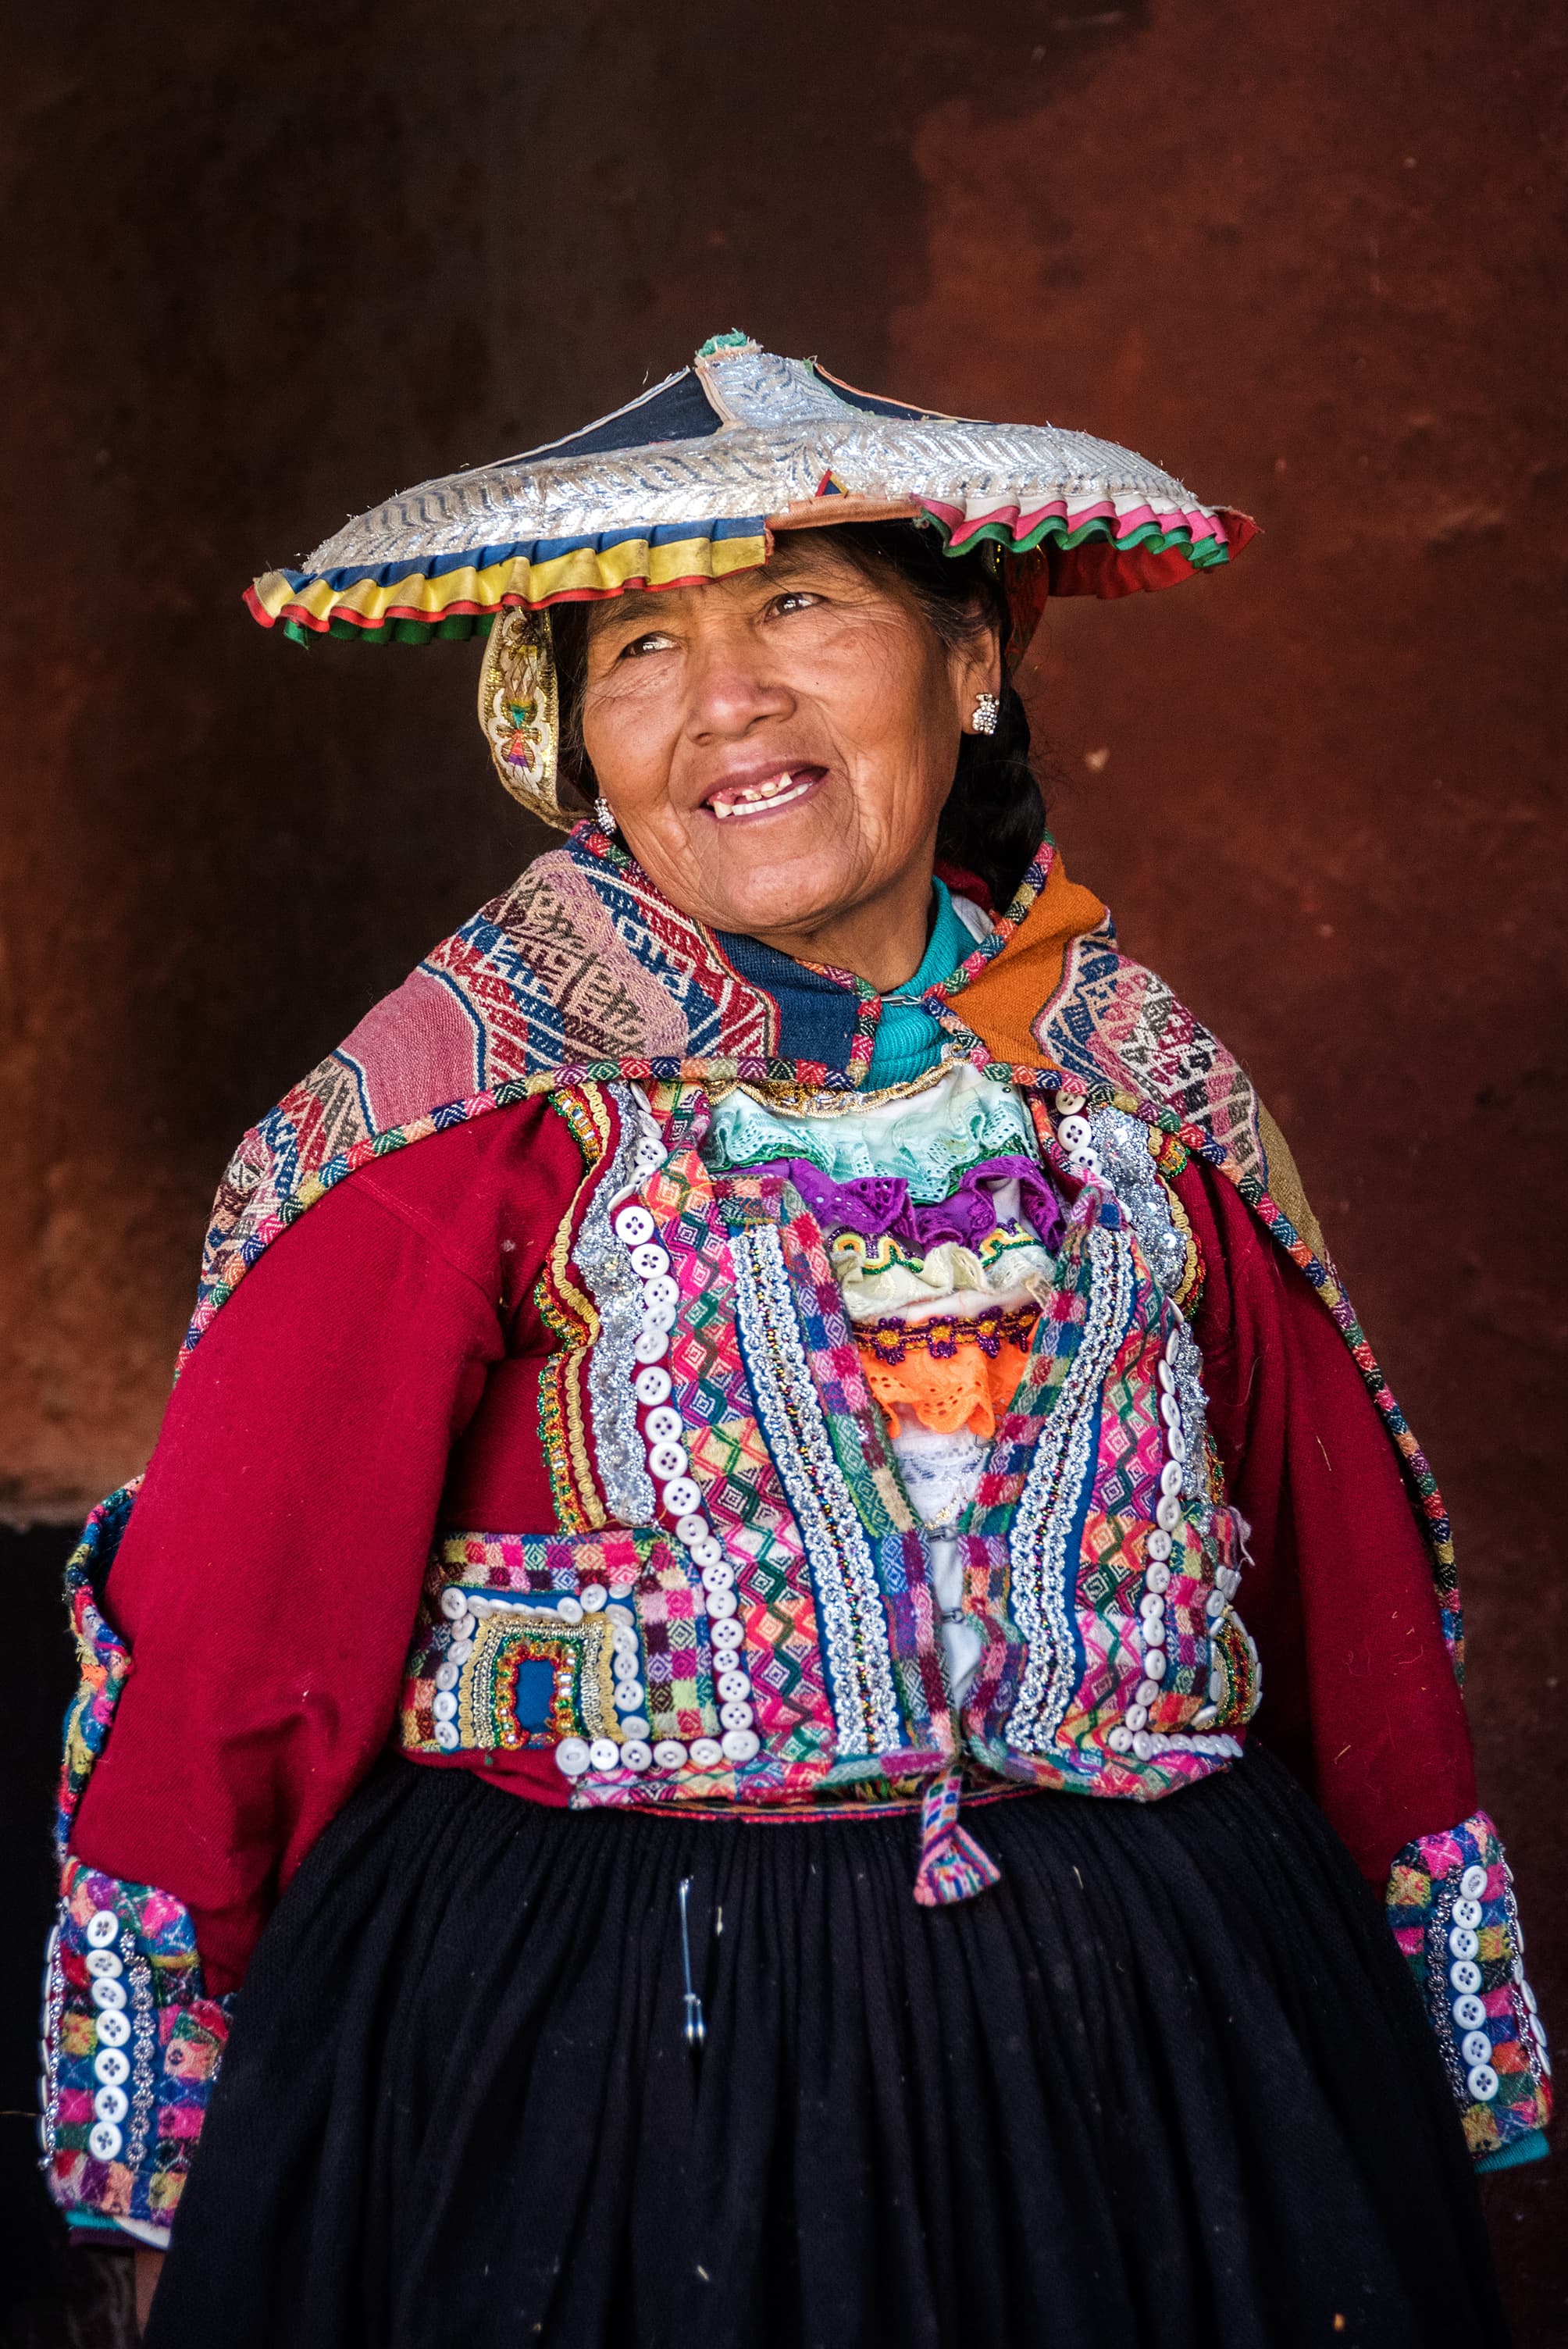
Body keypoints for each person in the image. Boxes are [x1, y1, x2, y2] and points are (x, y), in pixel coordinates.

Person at [41, 336, 1548, 2347]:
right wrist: (152, 2168)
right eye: (639, 649)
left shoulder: (1141, 1093)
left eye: (800, 604)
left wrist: (1432, 2064)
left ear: (974, 659)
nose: (724, 701)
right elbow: (239, 1648)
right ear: (566, 733)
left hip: (1155, 2058)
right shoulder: (455, 1124)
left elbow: (1346, 1587)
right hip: (615, 2074)